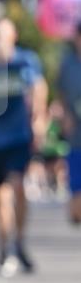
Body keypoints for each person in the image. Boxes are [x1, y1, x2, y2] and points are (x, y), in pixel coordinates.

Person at [0, 18, 47, 275]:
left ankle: (20, 240)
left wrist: (38, 118)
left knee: (17, 187)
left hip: (17, 137)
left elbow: (39, 87)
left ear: (12, 35)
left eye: (1, 34)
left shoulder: (25, 61)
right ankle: (4, 249)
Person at [57, 21, 81, 225]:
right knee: (76, 188)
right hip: (76, 133)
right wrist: (65, 115)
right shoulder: (68, 63)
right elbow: (61, 93)